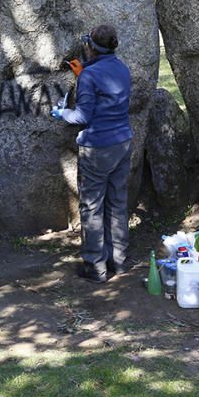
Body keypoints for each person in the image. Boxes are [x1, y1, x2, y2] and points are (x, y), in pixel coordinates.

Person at [51, 24, 133, 283]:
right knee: (117, 202)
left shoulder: (89, 76)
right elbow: (106, 92)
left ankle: (95, 267)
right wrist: (83, 73)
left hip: (98, 147)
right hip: (123, 143)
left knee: (92, 206)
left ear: (90, 45)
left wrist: (61, 112)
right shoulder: (121, 68)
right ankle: (118, 261)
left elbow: (82, 116)